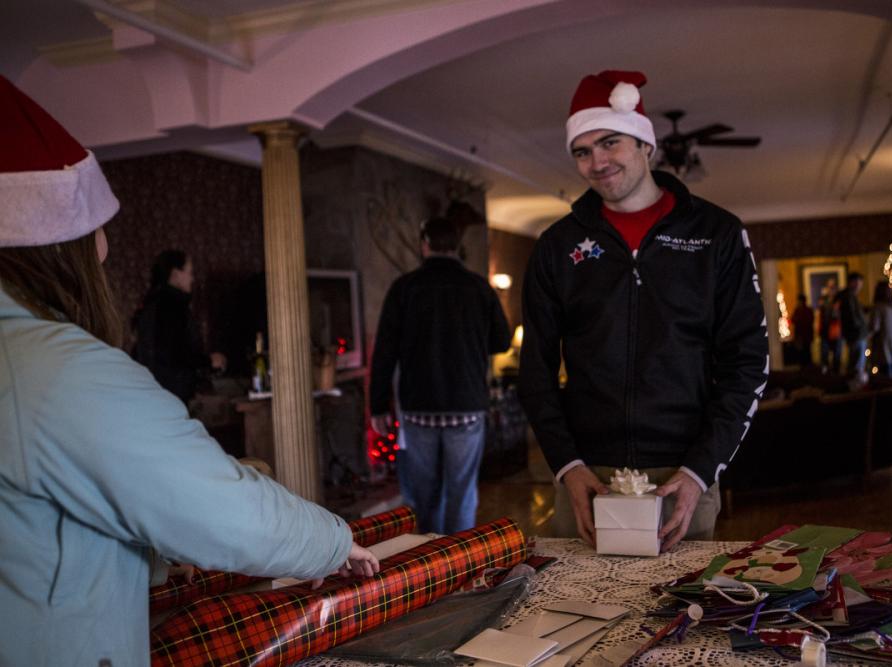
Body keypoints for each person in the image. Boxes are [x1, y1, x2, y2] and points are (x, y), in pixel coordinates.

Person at [0, 75, 378, 667]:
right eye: (96, 232)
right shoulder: (57, 370)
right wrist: (332, 540)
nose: (105, 246)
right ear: (56, 245)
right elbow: (220, 510)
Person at [519, 70, 768, 551]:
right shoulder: (557, 246)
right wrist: (567, 466)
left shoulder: (717, 234)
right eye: (582, 150)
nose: (597, 162)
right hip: (587, 476)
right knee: (579, 610)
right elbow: (536, 371)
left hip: (683, 475)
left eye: (610, 142)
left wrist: (700, 470)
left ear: (645, 144)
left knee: (676, 614)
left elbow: (749, 360)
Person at [369, 217, 511, 534]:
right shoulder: (478, 287)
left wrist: (377, 405)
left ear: (425, 244)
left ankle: (428, 563)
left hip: (419, 407)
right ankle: (457, 567)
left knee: (423, 496)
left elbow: (384, 351)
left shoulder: (404, 287)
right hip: (467, 406)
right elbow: (501, 341)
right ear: (457, 246)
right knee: (461, 494)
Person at [132, 249, 226, 405]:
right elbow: (176, 353)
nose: (192, 278)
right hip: (170, 394)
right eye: (189, 272)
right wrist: (209, 361)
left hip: (154, 391)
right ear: (176, 274)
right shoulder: (171, 306)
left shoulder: (153, 304)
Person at [836, 272, 868, 384]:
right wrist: (861, 327)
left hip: (854, 335)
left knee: (855, 363)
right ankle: (855, 390)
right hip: (856, 335)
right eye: (859, 282)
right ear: (853, 282)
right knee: (857, 366)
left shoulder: (849, 296)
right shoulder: (849, 297)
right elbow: (853, 317)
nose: (860, 286)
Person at [818, 278, 842, 373]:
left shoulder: (839, 301)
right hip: (825, 331)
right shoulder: (824, 301)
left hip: (836, 332)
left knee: (837, 357)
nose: (831, 289)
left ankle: (836, 375)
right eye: (829, 287)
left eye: (833, 287)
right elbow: (821, 317)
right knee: (824, 356)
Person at [791, 294, 815, 367]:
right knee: (803, 353)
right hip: (802, 336)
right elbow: (793, 320)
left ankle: (806, 368)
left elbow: (809, 321)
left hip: (804, 335)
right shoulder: (799, 310)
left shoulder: (804, 310)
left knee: (806, 352)